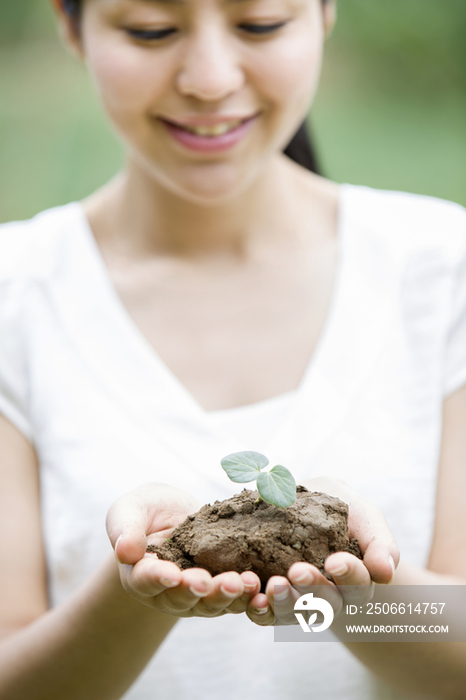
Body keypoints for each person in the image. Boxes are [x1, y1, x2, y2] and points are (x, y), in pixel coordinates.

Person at [0, 0, 465, 698]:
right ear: (71, 27)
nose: (211, 79)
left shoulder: (442, 269)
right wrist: (137, 595)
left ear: (325, 14)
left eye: (262, 25)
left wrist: (343, 583)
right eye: (151, 31)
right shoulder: (18, 294)